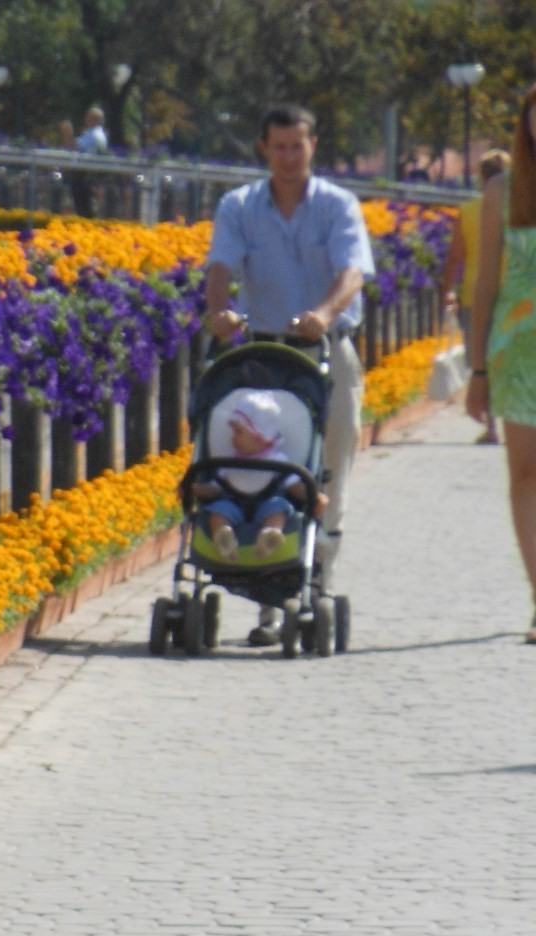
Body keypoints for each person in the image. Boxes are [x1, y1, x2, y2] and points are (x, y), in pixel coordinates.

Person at [205, 101, 373, 644]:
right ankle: (268, 599)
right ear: (263, 148)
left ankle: (316, 579)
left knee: (326, 469)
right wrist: (218, 312)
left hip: (326, 348)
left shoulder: (338, 206)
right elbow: (221, 267)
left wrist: (323, 313)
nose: (287, 157)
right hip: (264, 353)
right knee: (262, 466)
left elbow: (352, 271)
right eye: (277, 147)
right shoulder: (239, 206)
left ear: (312, 146)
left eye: (296, 146)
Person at [464, 84, 536, 643]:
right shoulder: (502, 193)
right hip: (517, 352)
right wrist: (478, 369)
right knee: (525, 475)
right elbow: (485, 282)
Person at [446, 148, 511, 442]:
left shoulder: (470, 210)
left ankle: (492, 426)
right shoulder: (520, 206)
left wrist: (447, 289)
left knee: (483, 361)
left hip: (476, 296)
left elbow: (455, 257)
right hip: (514, 296)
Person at [195, 391, 306, 561]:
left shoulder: (278, 461)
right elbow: (214, 489)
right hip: (234, 506)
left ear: (260, 435)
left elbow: (295, 486)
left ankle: (270, 535)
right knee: (218, 510)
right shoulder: (230, 462)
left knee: (278, 507)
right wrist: (194, 489)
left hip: (267, 504)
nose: (233, 438)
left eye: (239, 432)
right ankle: (223, 536)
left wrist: (313, 497)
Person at [68, 105, 108, 218]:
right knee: (82, 207)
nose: (85, 120)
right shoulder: (91, 133)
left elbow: (75, 145)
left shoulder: (95, 135)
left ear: (95, 120)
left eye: (88, 118)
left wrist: (68, 133)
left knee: (85, 208)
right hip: (85, 175)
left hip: (86, 175)